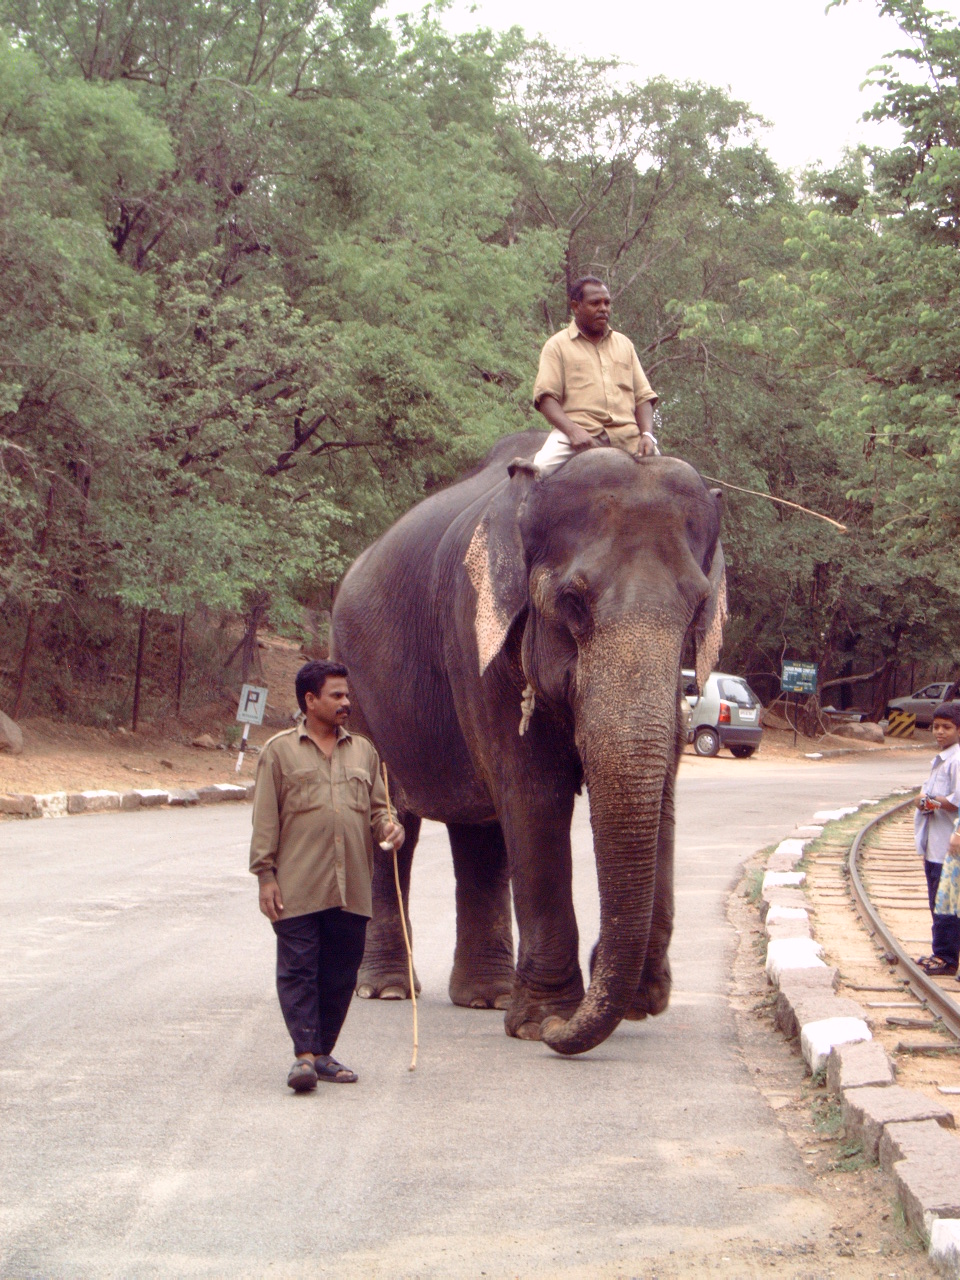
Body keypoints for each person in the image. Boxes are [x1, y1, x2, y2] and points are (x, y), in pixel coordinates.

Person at [249, 659, 404, 1092]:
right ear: (310, 700)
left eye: (347, 695)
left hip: (350, 885)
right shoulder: (278, 752)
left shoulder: (364, 753)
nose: (345, 703)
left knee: (340, 973)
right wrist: (265, 875)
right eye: (336, 695)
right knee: (298, 970)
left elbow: (380, 810)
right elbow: (265, 820)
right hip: (296, 885)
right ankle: (303, 1056)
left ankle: (322, 1053)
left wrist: (391, 827)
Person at [531, 276, 659, 475]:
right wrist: (573, 431)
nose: (603, 308)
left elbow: (643, 397)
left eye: (607, 303)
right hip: (579, 436)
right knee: (538, 470)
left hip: (629, 437)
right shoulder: (557, 346)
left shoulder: (625, 344)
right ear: (576, 306)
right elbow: (546, 399)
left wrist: (648, 435)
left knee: (672, 482)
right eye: (595, 303)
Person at [913, 703, 960, 975]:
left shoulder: (956, 760)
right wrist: (924, 802)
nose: (939, 732)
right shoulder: (942, 758)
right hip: (934, 845)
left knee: (945, 902)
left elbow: (955, 803)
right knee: (937, 900)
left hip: (948, 846)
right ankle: (942, 952)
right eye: (936, 727)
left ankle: (946, 957)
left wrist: (924, 801)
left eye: (947, 727)